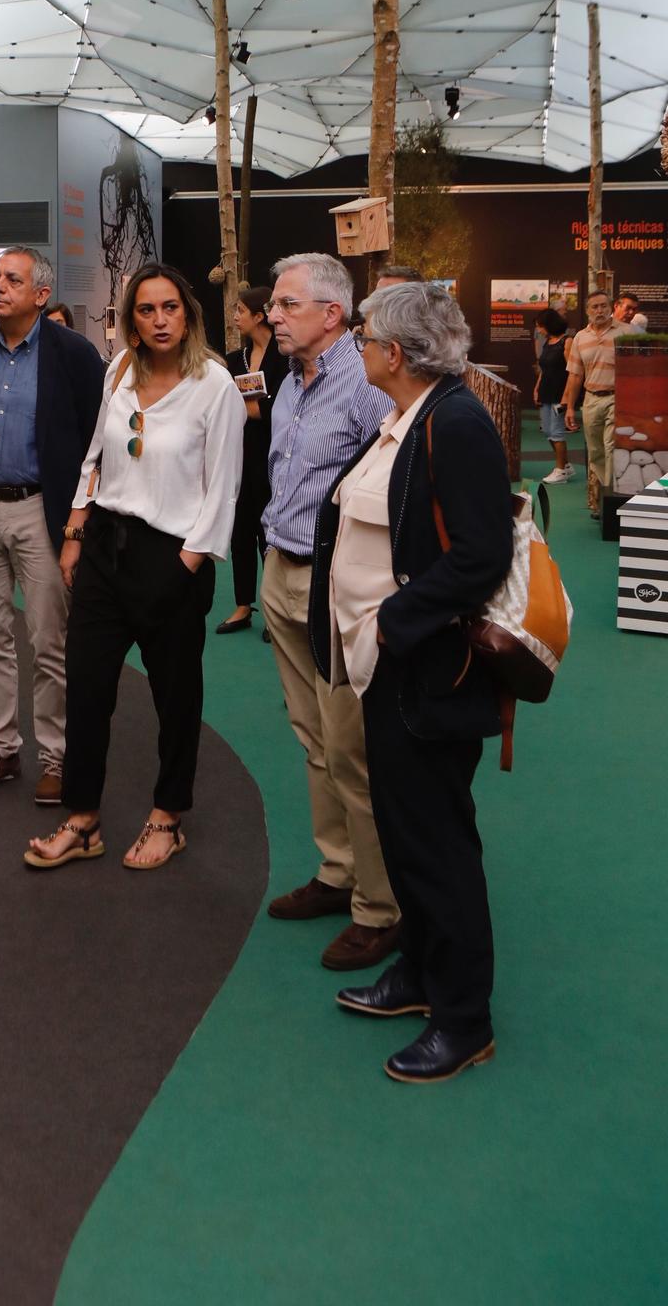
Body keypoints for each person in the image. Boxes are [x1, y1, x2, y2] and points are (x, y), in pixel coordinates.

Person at [314, 282, 513, 1083]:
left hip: (427, 672)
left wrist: (394, 622)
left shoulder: (455, 422)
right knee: (404, 834)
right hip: (393, 674)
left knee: (437, 847)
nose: (358, 348)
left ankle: (465, 1019)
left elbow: (479, 555)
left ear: (395, 354)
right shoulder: (415, 414)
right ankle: (421, 980)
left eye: (365, 338)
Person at [24, 265, 244, 871]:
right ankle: (83, 817)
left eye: (170, 308)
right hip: (103, 549)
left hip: (174, 555)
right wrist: (74, 532)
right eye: (146, 311)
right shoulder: (119, 371)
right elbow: (94, 456)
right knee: (88, 689)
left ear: (188, 314)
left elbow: (223, 490)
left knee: (176, 697)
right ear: (132, 321)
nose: (159, 320)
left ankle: (168, 816)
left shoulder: (215, 385)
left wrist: (184, 566)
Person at [260, 252, 400, 974]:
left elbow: (400, 484)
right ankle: (338, 872)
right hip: (281, 572)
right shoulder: (291, 377)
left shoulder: (370, 384)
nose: (272, 315)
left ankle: (380, 908)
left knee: (352, 749)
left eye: (286, 305)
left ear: (332, 314)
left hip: (339, 588)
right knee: (313, 737)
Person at [0, 247, 105, 803]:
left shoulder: (75, 354)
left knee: (48, 643)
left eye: (11, 280)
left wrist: (78, 525)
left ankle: (57, 760)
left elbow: (98, 439)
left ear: (40, 295)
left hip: (43, 512)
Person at [220, 283, 287, 633]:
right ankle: (243, 605)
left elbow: (281, 409)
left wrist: (251, 408)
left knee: (270, 535)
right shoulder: (234, 360)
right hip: (240, 455)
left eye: (240, 312)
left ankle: (274, 609)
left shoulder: (285, 358)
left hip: (276, 457)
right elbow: (228, 408)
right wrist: (258, 408)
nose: (234, 318)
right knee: (240, 532)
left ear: (259, 316)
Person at [562, 290, 617, 516]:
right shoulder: (580, 338)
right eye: (594, 307)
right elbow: (575, 376)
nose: (599, 310)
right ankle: (604, 499)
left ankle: (612, 501)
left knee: (612, 448)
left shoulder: (626, 332)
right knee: (595, 452)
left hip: (618, 398)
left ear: (611, 307)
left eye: (603, 306)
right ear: (587, 311)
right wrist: (571, 407)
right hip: (591, 400)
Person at [533, 309, 572, 484]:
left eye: (540, 327)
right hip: (546, 392)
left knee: (556, 431)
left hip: (559, 394)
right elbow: (544, 369)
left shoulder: (567, 341)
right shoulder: (548, 342)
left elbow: (573, 371)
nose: (539, 330)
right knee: (548, 430)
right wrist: (537, 387)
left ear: (549, 325)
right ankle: (566, 465)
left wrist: (567, 396)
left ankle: (561, 471)